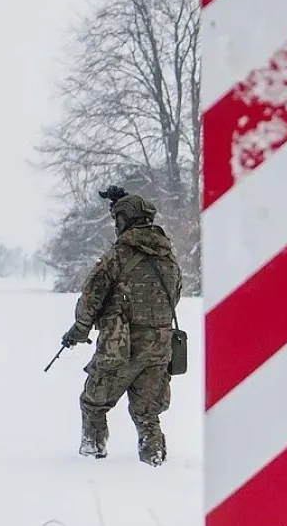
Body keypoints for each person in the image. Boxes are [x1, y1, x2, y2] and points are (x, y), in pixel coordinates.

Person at [60, 192, 183, 467]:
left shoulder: (118, 255)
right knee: (147, 412)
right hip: (159, 349)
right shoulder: (169, 259)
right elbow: (174, 296)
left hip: (121, 348)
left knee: (93, 403)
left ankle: (91, 461)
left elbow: (92, 295)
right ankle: (155, 462)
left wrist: (80, 329)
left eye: (118, 218)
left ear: (124, 220)